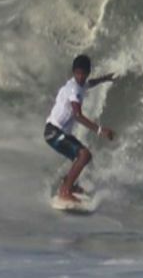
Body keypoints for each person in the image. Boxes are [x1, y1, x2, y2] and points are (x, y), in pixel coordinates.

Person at [43, 54, 116, 202]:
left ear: (88, 72)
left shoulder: (80, 84)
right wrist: (100, 130)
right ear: (74, 72)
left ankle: (68, 183)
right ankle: (66, 190)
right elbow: (77, 115)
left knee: (81, 157)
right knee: (84, 155)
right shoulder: (74, 89)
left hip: (58, 132)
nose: (81, 76)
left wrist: (105, 78)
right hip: (53, 132)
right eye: (78, 73)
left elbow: (89, 83)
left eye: (84, 73)